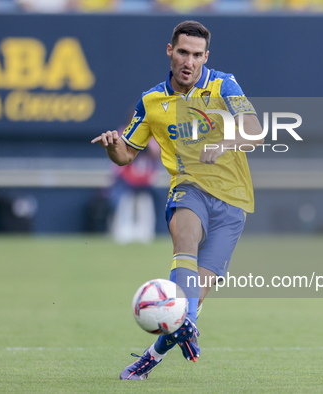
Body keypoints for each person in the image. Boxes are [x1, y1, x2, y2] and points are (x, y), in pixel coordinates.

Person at [91, 20, 264, 380]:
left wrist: (225, 143)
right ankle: (183, 328)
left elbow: (254, 130)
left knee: (190, 303)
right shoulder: (152, 101)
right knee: (184, 235)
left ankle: (150, 359)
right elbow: (126, 154)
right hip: (189, 187)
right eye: (183, 52)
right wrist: (112, 146)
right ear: (170, 51)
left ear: (206, 57)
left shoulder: (223, 84)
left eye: (197, 55)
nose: (190, 61)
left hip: (233, 202)